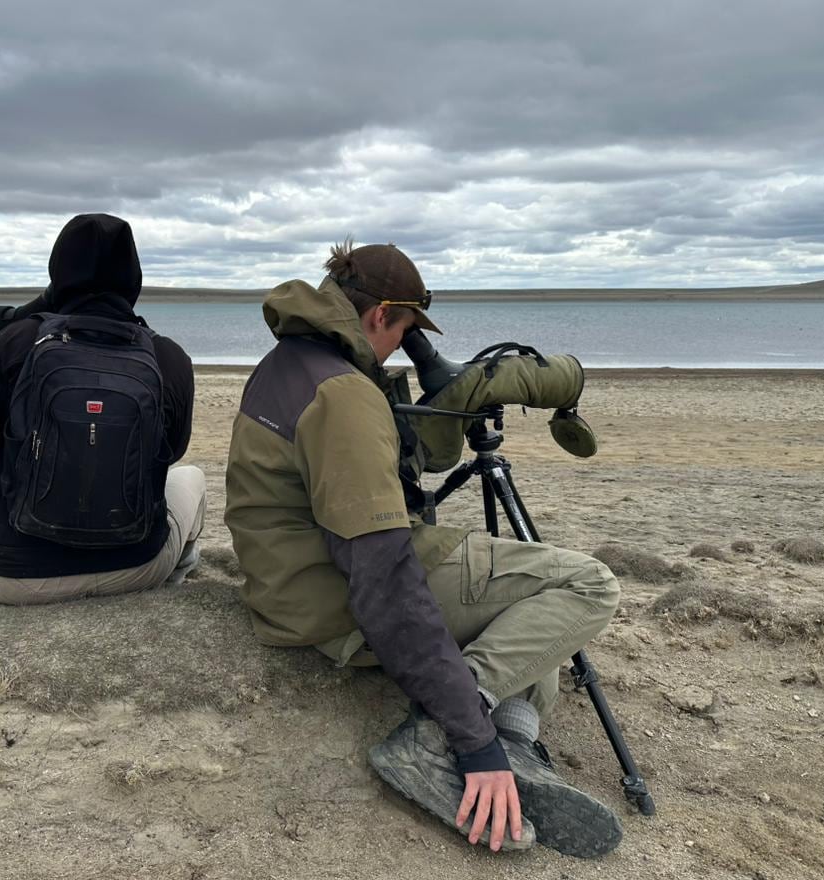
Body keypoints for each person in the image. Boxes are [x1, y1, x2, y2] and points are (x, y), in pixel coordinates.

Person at [224, 240, 623, 857]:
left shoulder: (287, 363)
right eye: (406, 330)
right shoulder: (342, 396)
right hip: (332, 601)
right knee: (585, 587)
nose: (402, 347)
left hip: (290, 580)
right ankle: (450, 740)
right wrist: (470, 736)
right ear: (381, 314)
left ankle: (516, 745)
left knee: (526, 623)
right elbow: (382, 575)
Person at [0, 213, 205, 604]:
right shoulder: (168, 355)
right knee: (190, 476)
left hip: (17, 581)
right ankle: (179, 568)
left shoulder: (14, 342)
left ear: (56, 273)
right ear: (135, 279)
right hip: (137, 567)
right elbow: (172, 453)